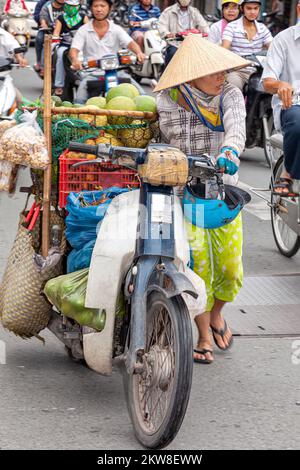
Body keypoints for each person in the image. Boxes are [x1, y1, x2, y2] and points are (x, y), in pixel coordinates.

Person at [155, 36, 249, 364]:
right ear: (192, 74)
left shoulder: (230, 94)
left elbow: (237, 129)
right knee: (196, 266)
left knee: (230, 267)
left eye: (223, 70)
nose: (221, 76)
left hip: (223, 192)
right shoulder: (167, 101)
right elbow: (163, 140)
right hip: (184, 194)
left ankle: (218, 313)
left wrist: (229, 150)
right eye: (213, 71)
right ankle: (204, 333)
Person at [69, 0, 145, 104]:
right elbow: (74, 49)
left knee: (142, 95)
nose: (99, 9)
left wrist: (139, 53)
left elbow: (130, 43)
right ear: (91, 8)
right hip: (92, 73)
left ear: (110, 8)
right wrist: (75, 59)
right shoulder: (83, 30)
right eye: (95, 6)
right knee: (79, 101)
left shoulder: (116, 29)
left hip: (117, 72)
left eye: (102, 6)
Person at [262, 0, 300, 196]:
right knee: (298, 124)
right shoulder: (283, 40)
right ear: (299, 8)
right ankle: (287, 173)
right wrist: (281, 85)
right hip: (292, 104)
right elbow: (268, 81)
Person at [222, 0, 272, 90]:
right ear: (242, 8)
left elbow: (274, 47)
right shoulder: (231, 27)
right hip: (237, 71)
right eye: (249, 8)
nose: (252, 12)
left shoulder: (262, 28)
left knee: (268, 92)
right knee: (232, 88)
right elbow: (224, 49)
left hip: (258, 72)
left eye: (255, 8)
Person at [52, 0, 88, 96]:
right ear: (65, 6)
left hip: (80, 46)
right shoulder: (61, 18)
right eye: (69, 6)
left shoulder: (83, 17)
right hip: (66, 45)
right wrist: (55, 37)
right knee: (59, 55)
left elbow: (89, 30)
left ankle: (90, 78)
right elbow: (56, 32)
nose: (72, 8)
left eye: (74, 6)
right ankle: (59, 85)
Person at [35, 0, 65, 76]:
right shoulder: (47, 6)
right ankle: (41, 64)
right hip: (49, 31)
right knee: (41, 39)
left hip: (64, 31)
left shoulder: (68, 6)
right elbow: (42, 18)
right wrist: (44, 25)